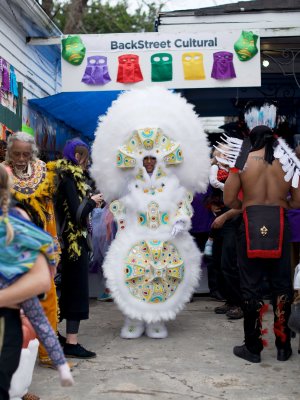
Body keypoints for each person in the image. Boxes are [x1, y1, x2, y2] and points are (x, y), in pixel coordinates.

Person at [90, 86, 211, 339]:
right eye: (144, 159)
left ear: (159, 160)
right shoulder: (131, 183)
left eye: (152, 159)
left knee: (166, 277)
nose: (148, 162)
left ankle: (157, 320)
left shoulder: (172, 182)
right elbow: (119, 204)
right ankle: (133, 319)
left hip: (167, 236)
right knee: (132, 274)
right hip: (136, 234)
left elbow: (181, 203)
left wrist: (180, 219)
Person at [223, 103, 300, 363]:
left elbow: (229, 198)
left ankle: (253, 347)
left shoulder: (243, 161)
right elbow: (298, 201)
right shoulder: (288, 160)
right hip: (279, 221)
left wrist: (243, 206)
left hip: (250, 221)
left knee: (251, 286)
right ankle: (283, 345)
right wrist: (284, 204)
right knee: (282, 285)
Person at [0, 164, 74, 398]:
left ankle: (20, 389)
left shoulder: (16, 216)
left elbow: (43, 245)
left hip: (15, 289)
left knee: (31, 329)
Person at [3, 131, 60, 368]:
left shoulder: (43, 171)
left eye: (26, 153)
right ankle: (16, 362)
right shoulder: (2, 173)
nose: (21, 158)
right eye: (16, 153)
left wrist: (53, 244)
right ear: (9, 152)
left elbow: (49, 210)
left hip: (40, 244)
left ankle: (47, 354)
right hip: (10, 247)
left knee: (48, 298)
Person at [56, 138, 103, 358]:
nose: (82, 160)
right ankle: (71, 343)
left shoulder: (69, 177)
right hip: (71, 243)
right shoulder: (68, 178)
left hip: (71, 241)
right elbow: (77, 214)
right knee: (75, 290)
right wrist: (92, 202)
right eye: (79, 155)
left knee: (65, 290)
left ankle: (55, 336)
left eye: (84, 155)